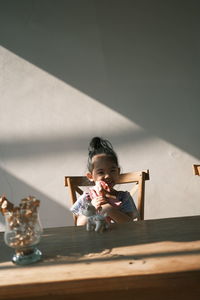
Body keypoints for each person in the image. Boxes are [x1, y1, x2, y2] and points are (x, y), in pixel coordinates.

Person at [70, 137, 139, 225]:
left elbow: (130, 224)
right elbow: (79, 225)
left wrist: (108, 208)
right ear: (90, 176)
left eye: (112, 171)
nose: (107, 176)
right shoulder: (86, 199)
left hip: (120, 238)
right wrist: (92, 207)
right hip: (93, 238)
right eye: (101, 172)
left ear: (118, 172)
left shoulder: (124, 197)